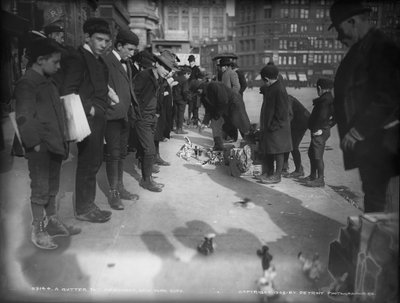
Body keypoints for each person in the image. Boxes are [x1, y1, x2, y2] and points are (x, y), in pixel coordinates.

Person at [329, 0, 399, 212]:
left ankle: (375, 242)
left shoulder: (381, 47)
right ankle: (373, 240)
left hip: (382, 143)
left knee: (379, 200)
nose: (340, 37)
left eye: (341, 30)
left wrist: (359, 131)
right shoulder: (362, 47)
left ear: (352, 22)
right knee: (373, 195)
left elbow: (390, 95)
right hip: (371, 146)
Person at [14, 38, 81, 249]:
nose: (59, 66)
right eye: (56, 62)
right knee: (40, 188)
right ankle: (38, 228)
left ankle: (52, 221)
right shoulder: (28, 83)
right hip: (40, 147)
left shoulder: (49, 81)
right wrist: (35, 145)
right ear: (41, 60)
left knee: (53, 186)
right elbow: (24, 118)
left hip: (54, 143)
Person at [60, 18, 113, 222]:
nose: (103, 44)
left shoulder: (98, 59)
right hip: (87, 119)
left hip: (99, 118)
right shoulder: (78, 57)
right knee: (88, 162)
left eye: (106, 41)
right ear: (87, 38)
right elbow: (68, 89)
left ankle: (87, 204)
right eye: (99, 39)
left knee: (94, 161)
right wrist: (88, 109)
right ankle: (84, 208)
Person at [102, 29, 140, 210]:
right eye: (130, 49)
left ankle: (120, 187)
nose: (132, 54)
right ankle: (114, 193)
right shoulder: (106, 61)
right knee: (113, 154)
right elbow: (102, 87)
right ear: (119, 46)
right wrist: (113, 104)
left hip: (125, 115)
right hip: (112, 116)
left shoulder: (127, 62)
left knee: (122, 154)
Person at [133, 50, 179, 192]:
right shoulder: (144, 76)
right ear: (157, 64)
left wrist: (156, 114)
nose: (167, 72)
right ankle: (146, 181)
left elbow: (158, 98)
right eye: (165, 67)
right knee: (149, 150)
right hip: (142, 118)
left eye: (169, 69)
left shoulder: (160, 79)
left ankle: (148, 178)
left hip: (152, 117)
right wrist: (138, 115)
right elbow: (133, 95)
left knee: (149, 149)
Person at [257, 64, 292, 184]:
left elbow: (282, 112)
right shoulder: (272, 87)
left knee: (278, 151)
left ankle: (277, 175)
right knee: (270, 149)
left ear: (266, 79)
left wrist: (273, 126)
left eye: (264, 81)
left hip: (278, 126)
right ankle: (269, 173)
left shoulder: (279, 90)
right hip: (271, 125)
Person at [198, 81, 251, 150]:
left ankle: (250, 140)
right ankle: (218, 144)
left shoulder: (214, 86)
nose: (197, 94)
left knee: (239, 121)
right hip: (221, 106)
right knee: (215, 122)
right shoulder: (203, 97)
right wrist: (205, 122)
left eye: (197, 90)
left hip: (234, 103)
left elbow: (223, 101)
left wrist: (217, 114)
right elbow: (208, 110)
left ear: (201, 88)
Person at [302, 78, 335, 187]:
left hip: (319, 132)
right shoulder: (328, 98)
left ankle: (320, 179)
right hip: (320, 130)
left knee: (317, 155)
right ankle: (313, 175)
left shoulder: (325, 101)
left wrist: (321, 129)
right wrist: (328, 125)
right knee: (312, 153)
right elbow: (336, 117)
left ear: (319, 88)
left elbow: (322, 116)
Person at [282, 95, 310, 178]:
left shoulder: (286, 98)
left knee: (293, 146)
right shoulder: (282, 97)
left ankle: (299, 170)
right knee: (287, 142)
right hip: (297, 121)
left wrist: (283, 127)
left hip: (302, 122)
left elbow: (290, 115)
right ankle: (284, 167)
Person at [172, 66, 191, 134]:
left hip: (175, 98)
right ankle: (179, 129)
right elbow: (185, 91)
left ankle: (176, 127)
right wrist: (187, 99)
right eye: (189, 75)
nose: (189, 77)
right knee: (181, 114)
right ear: (186, 74)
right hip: (182, 100)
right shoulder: (185, 80)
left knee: (176, 113)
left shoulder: (176, 78)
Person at [187, 54, 201, 125]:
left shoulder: (197, 69)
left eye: (191, 62)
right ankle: (192, 118)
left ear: (194, 62)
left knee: (196, 105)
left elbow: (199, 79)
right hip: (189, 90)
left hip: (195, 90)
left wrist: (197, 87)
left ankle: (195, 118)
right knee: (190, 105)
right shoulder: (189, 69)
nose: (190, 63)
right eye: (189, 62)